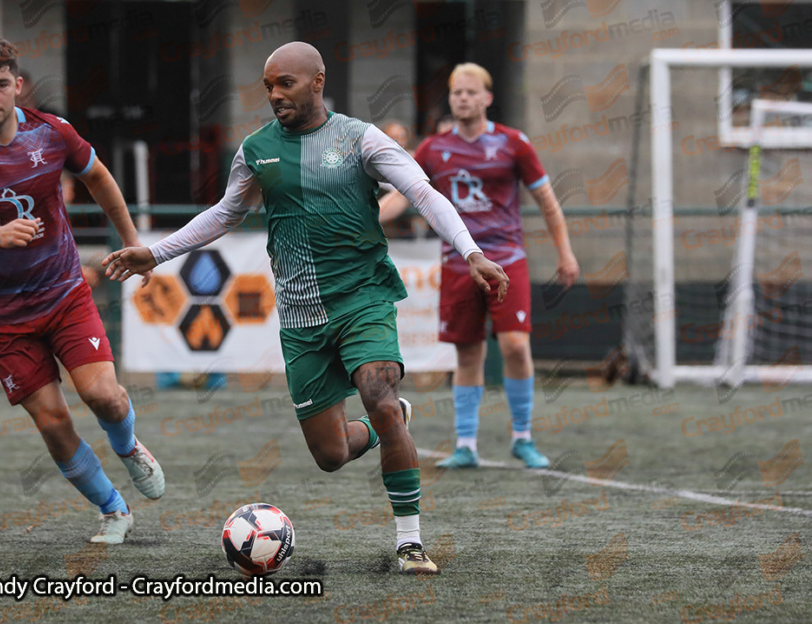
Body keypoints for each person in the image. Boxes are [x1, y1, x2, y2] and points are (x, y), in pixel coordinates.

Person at [102, 42, 509, 574]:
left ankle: (410, 542)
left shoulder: (361, 139)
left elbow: (425, 194)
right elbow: (225, 215)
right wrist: (153, 252)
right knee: (332, 455)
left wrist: (472, 252)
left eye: (285, 83)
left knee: (379, 396)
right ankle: (390, 423)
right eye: (268, 86)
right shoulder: (256, 150)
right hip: (300, 319)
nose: (274, 95)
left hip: (363, 298)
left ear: (317, 81)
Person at [0, 36, 164, 545]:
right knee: (53, 423)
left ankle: (129, 448)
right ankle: (113, 510)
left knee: (105, 398)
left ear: (18, 86)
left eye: (1, 85)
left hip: (64, 293)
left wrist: (132, 241)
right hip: (1, 313)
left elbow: (98, 177)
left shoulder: (52, 132)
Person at [378, 63, 580, 470]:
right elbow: (405, 196)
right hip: (457, 262)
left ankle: (522, 436)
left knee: (515, 345)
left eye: (471, 92)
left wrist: (566, 252)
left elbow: (547, 202)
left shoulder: (514, 143)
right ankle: (466, 444)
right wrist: (364, 218)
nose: (463, 98)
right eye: (457, 93)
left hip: (507, 259)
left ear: (487, 98)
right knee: (467, 354)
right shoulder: (433, 148)